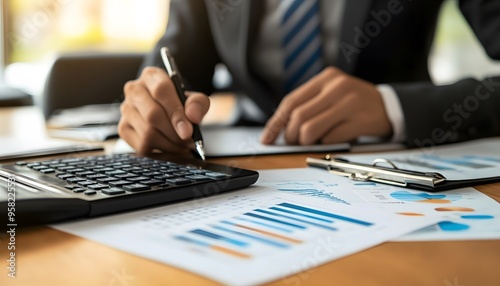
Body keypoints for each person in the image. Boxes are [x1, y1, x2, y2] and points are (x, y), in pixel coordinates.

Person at [118, 0, 500, 156]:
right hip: (256, 163)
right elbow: (177, 60)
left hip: (395, 158)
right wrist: (154, 105)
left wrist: (393, 106)